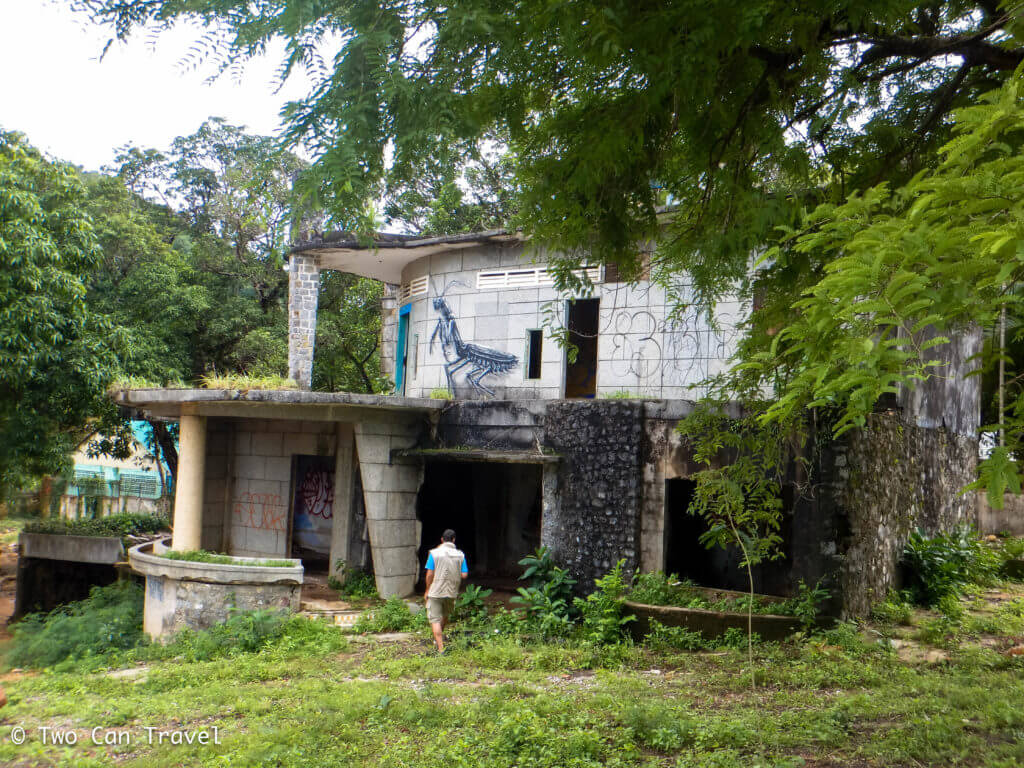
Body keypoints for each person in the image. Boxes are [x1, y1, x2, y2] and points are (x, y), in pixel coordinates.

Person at [424, 528, 468, 653]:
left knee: (434, 619)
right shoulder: (461, 555)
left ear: (442, 540)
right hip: (451, 592)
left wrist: (427, 589)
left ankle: (441, 649)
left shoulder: (434, 553)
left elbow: (429, 574)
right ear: (454, 540)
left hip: (435, 591)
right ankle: (438, 639)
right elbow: (464, 575)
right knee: (445, 616)